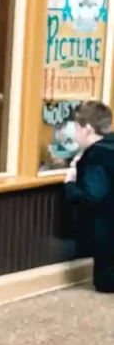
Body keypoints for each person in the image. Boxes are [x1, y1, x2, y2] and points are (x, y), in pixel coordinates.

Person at [64, 100, 114, 293]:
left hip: (108, 237)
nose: (74, 134)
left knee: (103, 283)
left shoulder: (96, 156)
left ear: (87, 129)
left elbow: (91, 195)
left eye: (76, 128)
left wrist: (70, 184)